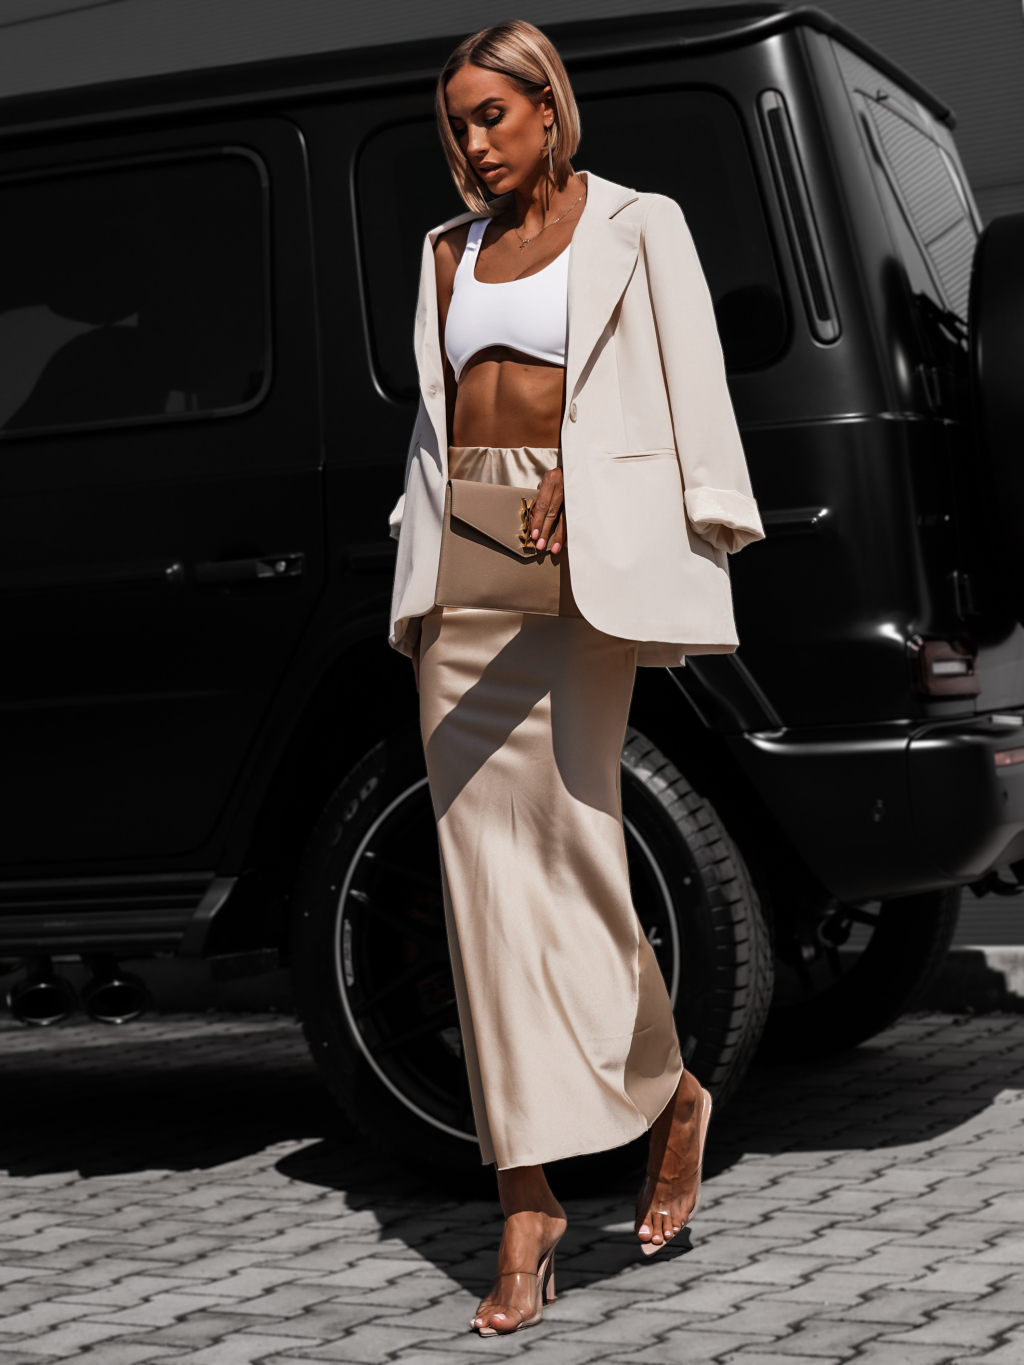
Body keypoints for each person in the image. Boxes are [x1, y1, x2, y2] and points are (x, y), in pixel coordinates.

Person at [388, 19, 763, 1337]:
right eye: (457, 123)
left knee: (575, 855)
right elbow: (440, 421)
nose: (472, 143)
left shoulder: (638, 225)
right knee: (481, 899)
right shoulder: (444, 253)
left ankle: (669, 1094)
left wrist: (675, 514)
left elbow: (687, 387)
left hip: (575, 558)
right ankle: (528, 1200)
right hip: (466, 565)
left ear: (549, 107)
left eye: (491, 115)